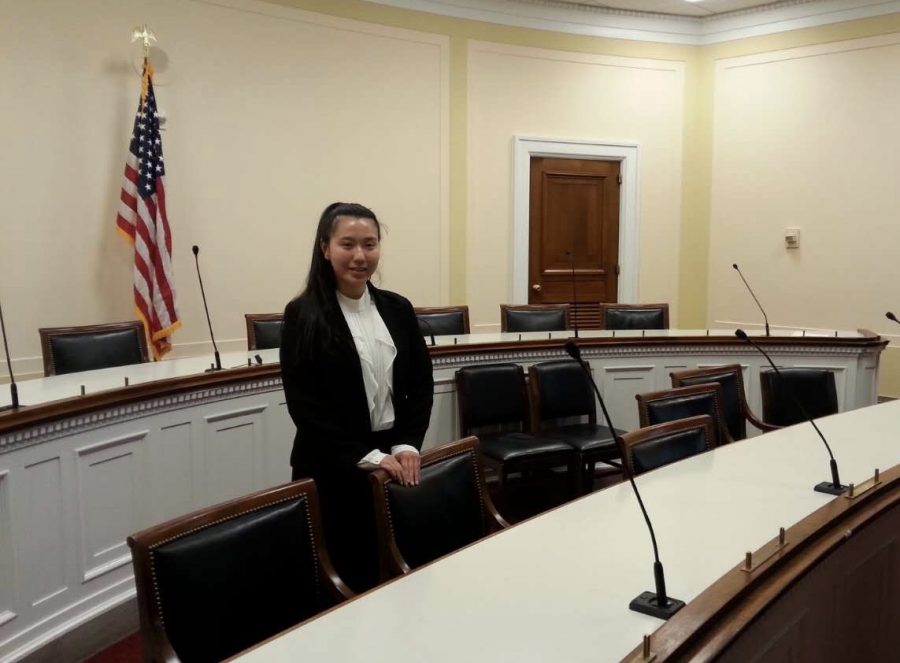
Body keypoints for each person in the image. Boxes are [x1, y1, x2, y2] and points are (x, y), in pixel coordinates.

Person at [280, 202, 434, 592]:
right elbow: (306, 408)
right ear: (325, 248)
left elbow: (420, 383)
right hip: (334, 467)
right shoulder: (303, 314)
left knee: (399, 570)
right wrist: (370, 457)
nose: (360, 256)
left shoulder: (397, 308)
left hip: (394, 458)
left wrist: (406, 444)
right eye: (348, 244)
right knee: (345, 576)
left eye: (370, 244)